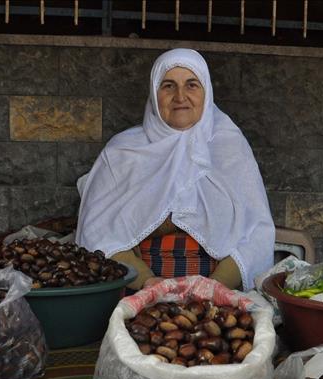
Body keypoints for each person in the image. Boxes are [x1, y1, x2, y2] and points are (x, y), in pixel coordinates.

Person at [75, 48, 275, 291]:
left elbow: (258, 232)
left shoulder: (231, 149)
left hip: (218, 294)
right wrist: (149, 283)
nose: (180, 96)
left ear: (207, 93)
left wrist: (212, 288)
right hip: (135, 287)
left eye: (192, 85)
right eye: (168, 86)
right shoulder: (121, 153)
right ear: (154, 94)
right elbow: (96, 234)